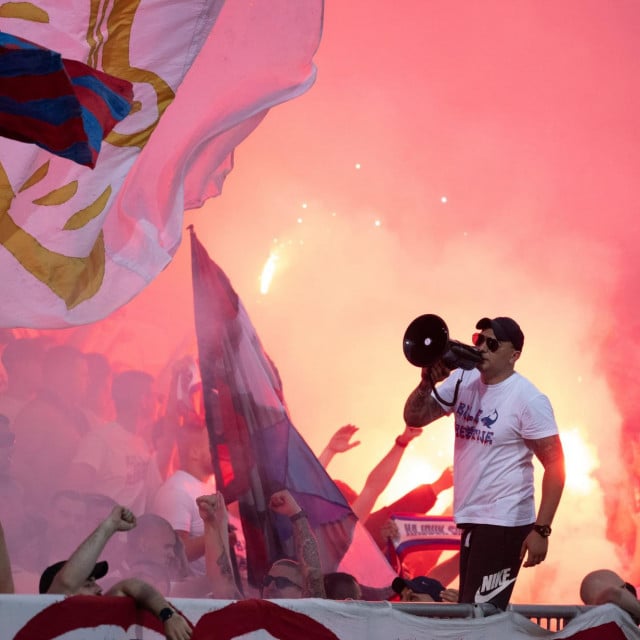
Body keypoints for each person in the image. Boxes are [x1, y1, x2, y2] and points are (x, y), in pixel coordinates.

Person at [403, 316, 565, 610]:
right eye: (480, 339)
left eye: (493, 343)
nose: (482, 348)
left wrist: (542, 530)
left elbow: (556, 466)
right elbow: (415, 418)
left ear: (514, 355)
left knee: (480, 617)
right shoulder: (463, 379)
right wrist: (427, 381)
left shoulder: (528, 399)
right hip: (474, 520)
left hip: (505, 521)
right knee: (470, 612)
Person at [41, 505, 192, 640]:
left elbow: (131, 585)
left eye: (95, 582)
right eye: (88, 585)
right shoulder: (50, 617)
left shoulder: (102, 617)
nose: (99, 589)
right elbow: (67, 582)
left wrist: (168, 615)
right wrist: (109, 526)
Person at [262, 489, 325, 599]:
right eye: (268, 580)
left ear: (303, 589)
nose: (271, 586)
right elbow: (226, 583)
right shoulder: (250, 612)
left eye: (282, 582)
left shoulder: (309, 613)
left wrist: (295, 513)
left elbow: (313, 576)